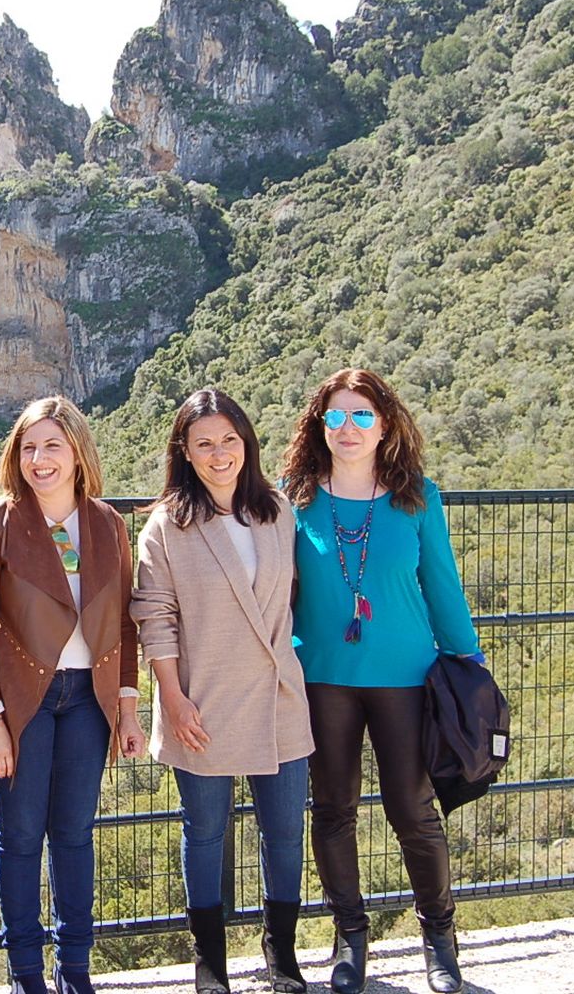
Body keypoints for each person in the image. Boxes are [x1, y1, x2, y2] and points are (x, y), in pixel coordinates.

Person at [280, 368, 482, 994]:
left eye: (361, 415)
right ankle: (350, 940)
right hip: (323, 677)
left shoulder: (419, 497)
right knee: (333, 809)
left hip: (407, 676)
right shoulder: (296, 499)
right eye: (335, 416)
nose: (347, 428)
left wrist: (469, 666)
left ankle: (440, 944)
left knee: (413, 811)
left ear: (385, 425)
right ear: (319, 425)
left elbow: (441, 585)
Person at [0, 397, 146, 994]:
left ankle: (76, 968)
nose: (40, 459)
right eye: (29, 447)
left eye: (53, 446)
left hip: (90, 701)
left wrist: (129, 708)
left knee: (73, 834)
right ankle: (26, 973)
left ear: (78, 453)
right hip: (21, 704)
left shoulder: (109, 525)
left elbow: (126, 625)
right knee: (18, 836)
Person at [130, 388, 314, 994]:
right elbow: (154, 615)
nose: (218, 453)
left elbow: (291, 600)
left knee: (285, 830)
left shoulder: (277, 511)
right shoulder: (168, 524)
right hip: (200, 700)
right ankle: (210, 960)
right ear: (184, 450)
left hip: (276, 694)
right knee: (204, 832)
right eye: (204, 442)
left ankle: (280, 953)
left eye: (229, 439)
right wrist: (172, 698)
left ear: (247, 443)